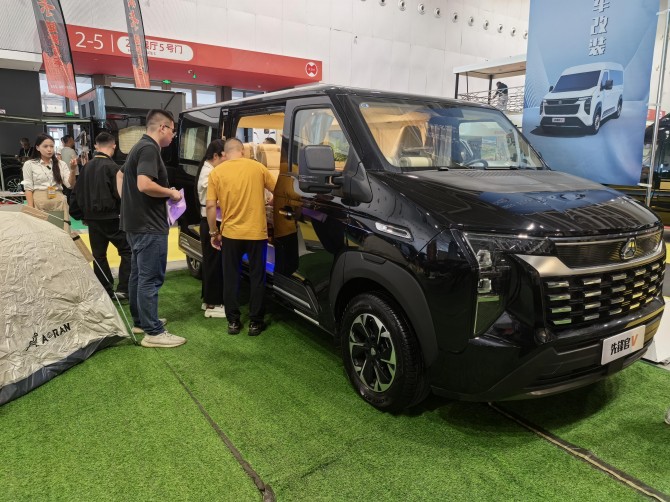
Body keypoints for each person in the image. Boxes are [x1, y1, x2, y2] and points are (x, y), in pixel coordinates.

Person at [118, 109, 185, 348]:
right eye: (173, 131)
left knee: (138, 275)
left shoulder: (138, 147)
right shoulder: (149, 149)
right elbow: (144, 184)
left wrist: (129, 203)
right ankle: (153, 332)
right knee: (150, 278)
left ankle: (142, 322)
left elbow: (120, 175)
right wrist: (171, 193)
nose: (173, 136)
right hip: (148, 225)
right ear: (163, 128)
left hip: (136, 223)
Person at [207, 138, 276, 336]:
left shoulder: (216, 172)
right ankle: (255, 322)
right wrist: (270, 201)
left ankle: (233, 322)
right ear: (242, 152)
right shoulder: (258, 168)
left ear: (225, 154)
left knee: (230, 277)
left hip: (230, 234)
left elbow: (210, 206)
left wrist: (214, 232)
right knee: (257, 277)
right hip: (256, 233)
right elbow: (278, 190)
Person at [71, 132, 131, 301]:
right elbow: (121, 195)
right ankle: (124, 288)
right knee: (127, 251)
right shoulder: (114, 168)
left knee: (98, 256)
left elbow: (75, 194)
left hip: (92, 219)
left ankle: (105, 289)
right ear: (114, 146)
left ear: (96, 146)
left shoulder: (86, 168)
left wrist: (81, 215)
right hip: (112, 218)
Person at [196, 139, 227, 318]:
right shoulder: (209, 173)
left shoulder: (208, 169)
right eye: (224, 157)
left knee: (211, 262)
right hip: (211, 221)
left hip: (209, 220)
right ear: (216, 155)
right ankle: (214, 304)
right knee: (214, 263)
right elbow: (212, 202)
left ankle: (209, 300)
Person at [22, 133, 76, 229]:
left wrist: (73, 170)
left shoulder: (61, 164)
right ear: (37, 148)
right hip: (39, 202)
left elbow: (70, 185)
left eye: (51, 146)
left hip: (58, 202)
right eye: (45, 146)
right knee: (42, 233)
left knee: (62, 232)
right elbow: (28, 188)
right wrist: (31, 208)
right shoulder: (29, 164)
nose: (49, 149)